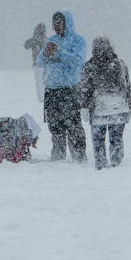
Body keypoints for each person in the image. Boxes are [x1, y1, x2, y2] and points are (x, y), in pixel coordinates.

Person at [38, 10, 89, 161]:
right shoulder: (51, 40)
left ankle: (79, 156)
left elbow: (78, 61)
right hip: (51, 90)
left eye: (60, 22)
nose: (57, 26)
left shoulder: (78, 41)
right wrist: (45, 54)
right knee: (54, 125)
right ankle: (58, 155)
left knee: (73, 124)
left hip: (69, 89)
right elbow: (40, 61)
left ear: (67, 23)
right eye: (55, 23)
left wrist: (59, 52)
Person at [78, 35, 131, 169]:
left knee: (98, 139)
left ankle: (101, 162)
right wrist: (129, 105)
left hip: (99, 109)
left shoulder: (90, 66)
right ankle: (116, 160)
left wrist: (84, 106)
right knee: (117, 138)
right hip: (119, 107)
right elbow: (127, 86)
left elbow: (86, 88)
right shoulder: (119, 63)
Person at [25, 22, 48, 106]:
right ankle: (44, 97)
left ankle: (41, 98)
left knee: (39, 82)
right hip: (46, 64)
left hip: (38, 64)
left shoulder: (34, 40)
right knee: (44, 82)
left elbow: (26, 45)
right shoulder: (46, 40)